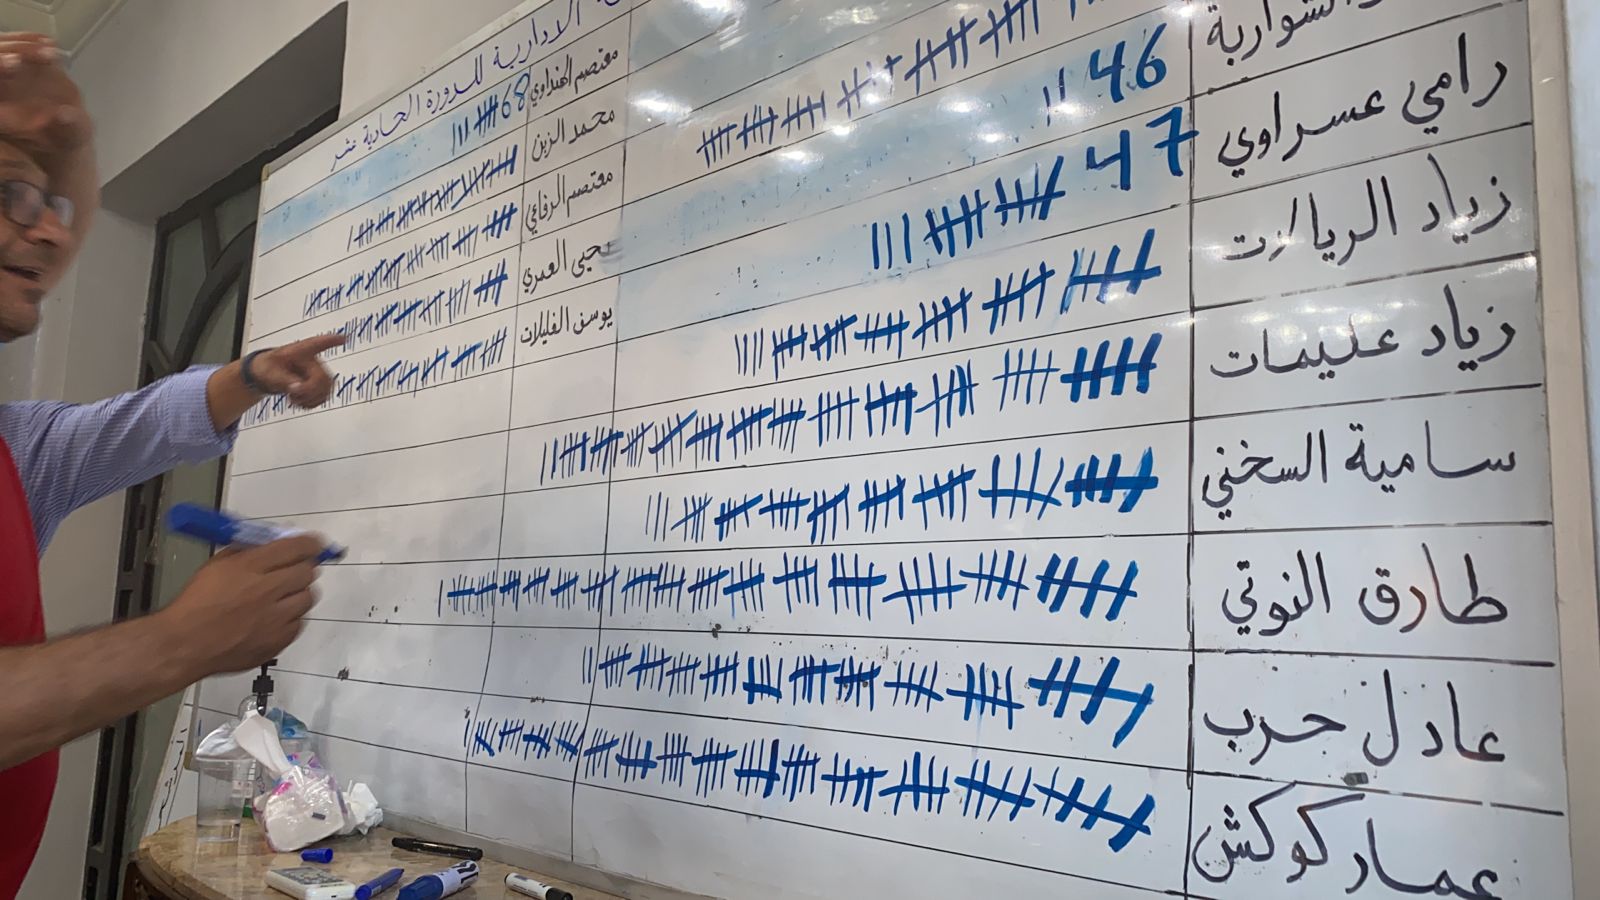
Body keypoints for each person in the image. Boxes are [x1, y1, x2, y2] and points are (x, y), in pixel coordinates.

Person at [0, 33, 345, 895]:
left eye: (53, 202)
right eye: (10, 194)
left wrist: (250, 375)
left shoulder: (15, 450)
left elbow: (135, 427)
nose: (51, 228)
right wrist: (184, 640)